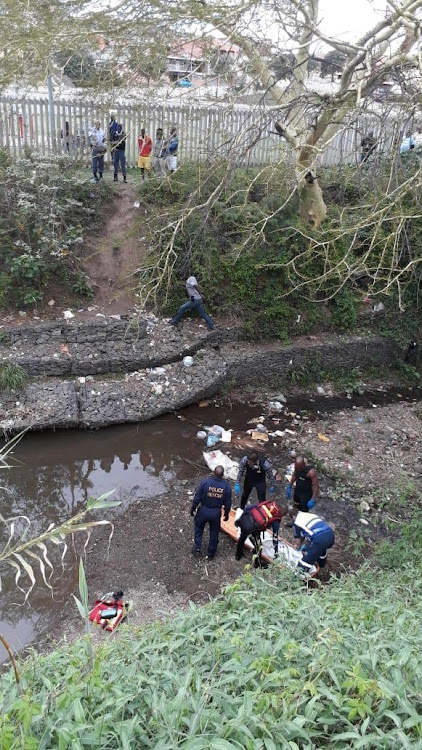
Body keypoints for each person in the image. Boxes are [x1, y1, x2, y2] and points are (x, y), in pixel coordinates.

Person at [190, 466, 232, 560]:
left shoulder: (205, 482)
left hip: (203, 510)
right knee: (214, 532)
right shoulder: (226, 486)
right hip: (216, 512)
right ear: (223, 475)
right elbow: (228, 502)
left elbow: (197, 497)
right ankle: (211, 553)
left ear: (213, 472)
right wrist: (226, 513)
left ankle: (197, 548)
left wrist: (193, 508)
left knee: (199, 529)